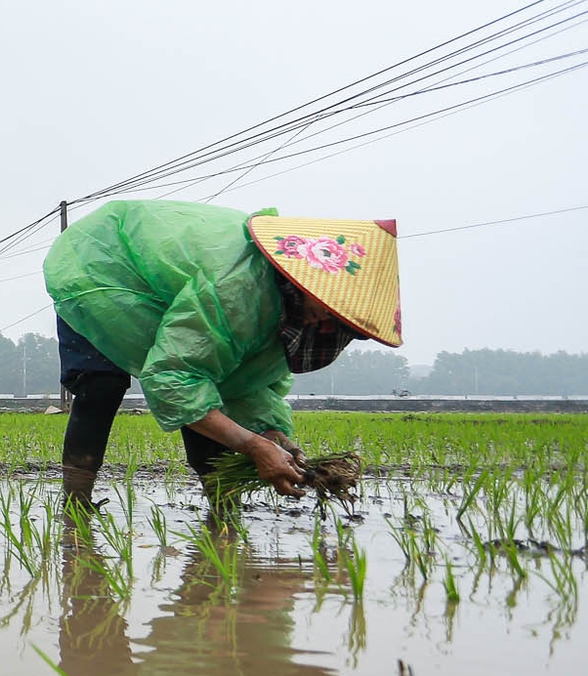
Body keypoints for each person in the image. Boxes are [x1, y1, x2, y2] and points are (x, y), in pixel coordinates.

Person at [42, 201, 401, 506]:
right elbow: (177, 379)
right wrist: (253, 446)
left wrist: (272, 435)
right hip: (99, 264)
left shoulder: (291, 319)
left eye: (338, 320)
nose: (326, 321)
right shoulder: (237, 289)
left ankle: (223, 508)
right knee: (102, 386)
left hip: (167, 291)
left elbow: (248, 384)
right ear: (304, 279)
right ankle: (77, 505)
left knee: (208, 388)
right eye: (327, 306)